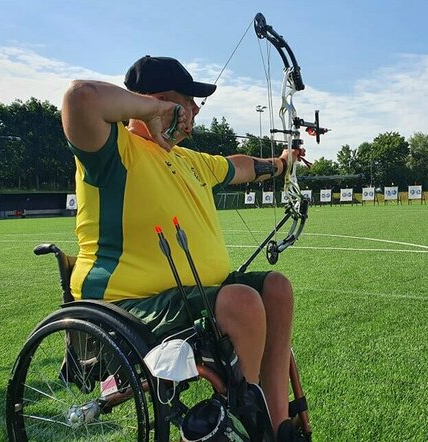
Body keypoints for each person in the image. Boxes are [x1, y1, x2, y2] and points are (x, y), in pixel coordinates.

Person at [61, 55, 301, 437]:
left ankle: (275, 423)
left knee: (276, 288)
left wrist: (282, 163)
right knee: (242, 302)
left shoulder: (189, 160)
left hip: (193, 298)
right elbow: (81, 98)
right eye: (188, 101)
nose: (194, 110)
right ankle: (246, 425)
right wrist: (154, 110)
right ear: (160, 101)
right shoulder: (113, 150)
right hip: (129, 306)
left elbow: (238, 166)